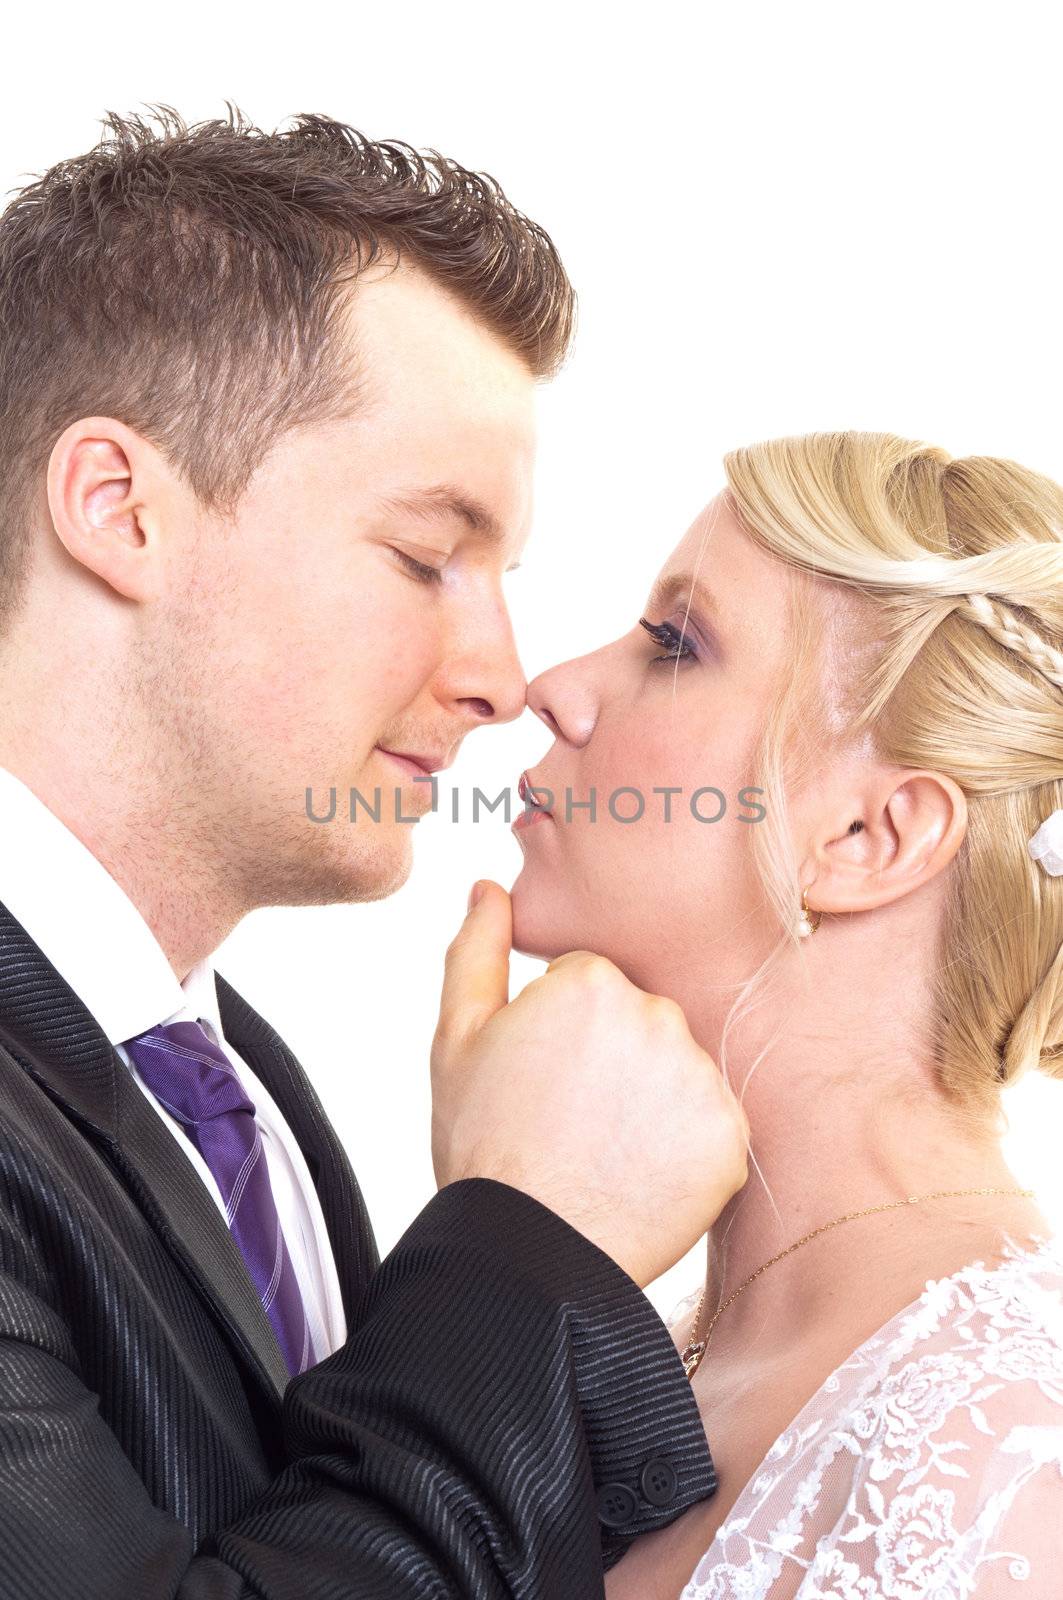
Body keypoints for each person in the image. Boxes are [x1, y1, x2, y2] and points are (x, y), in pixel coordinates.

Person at [0, 108, 752, 1597]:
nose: (500, 675)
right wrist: (530, 1245)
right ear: (117, 508)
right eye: (425, 557)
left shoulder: (245, 1087)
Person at [506, 431, 1063, 1597]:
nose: (551, 686)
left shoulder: (1014, 1452)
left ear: (868, 839)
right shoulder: (634, 1360)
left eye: (674, 644)